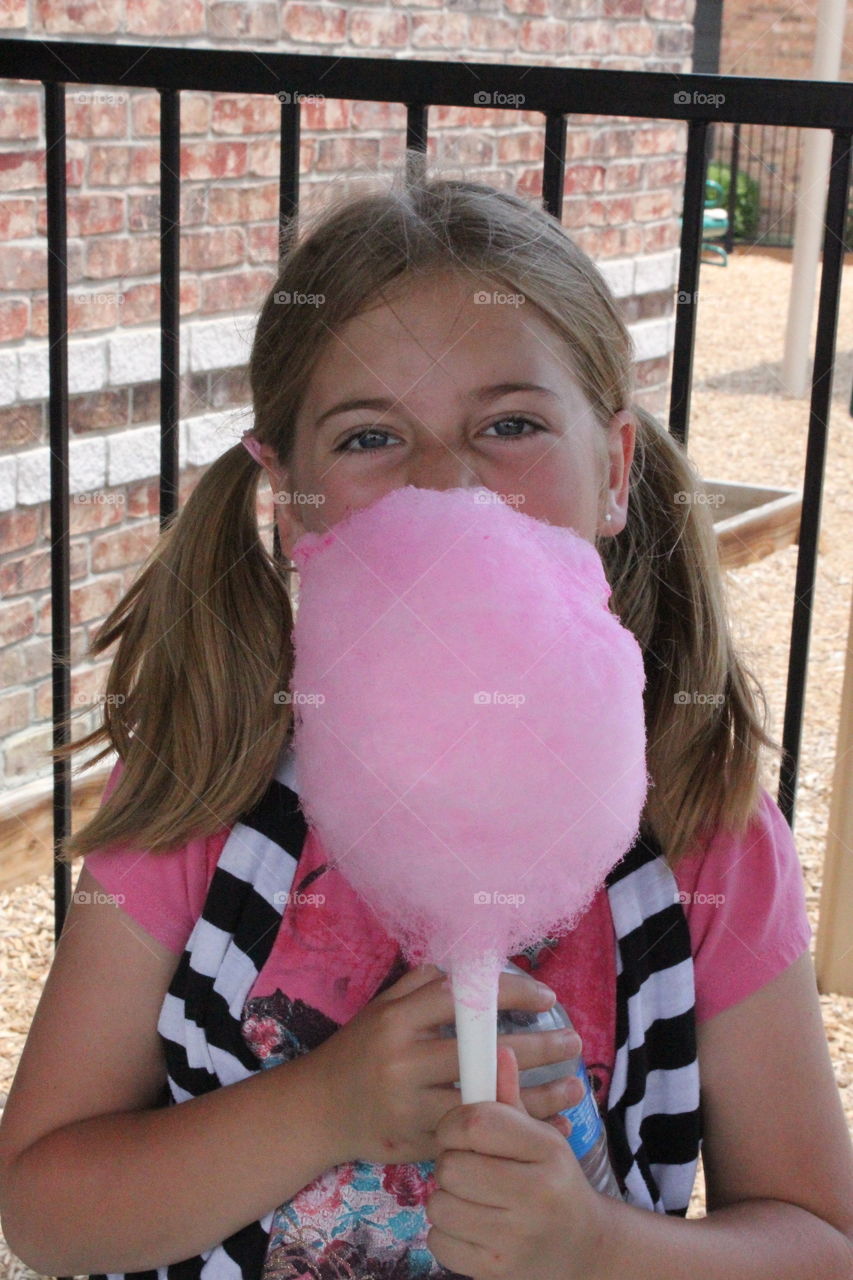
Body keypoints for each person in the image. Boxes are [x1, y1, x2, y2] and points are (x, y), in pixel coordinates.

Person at [1, 157, 852, 1280]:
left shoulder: (709, 831)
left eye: (508, 422)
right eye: (368, 437)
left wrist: (601, 1248)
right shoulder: (195, 789)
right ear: (287, 495)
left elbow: (821, 1241)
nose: (446, 485)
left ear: (615, 469)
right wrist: (323, 1105)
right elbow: (43, 1209)